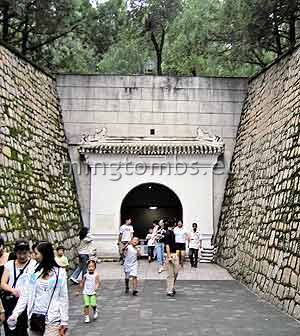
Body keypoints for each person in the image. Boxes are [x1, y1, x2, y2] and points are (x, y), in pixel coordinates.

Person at [8, 242, 68, 336]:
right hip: (34, 317)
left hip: (53, 319)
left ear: (44, 254)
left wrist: (64, 320)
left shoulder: (60, 273)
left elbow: (63, 297)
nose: (33, 256)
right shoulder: (33, 271)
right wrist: (15, 314)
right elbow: (25, 294)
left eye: (36, 253)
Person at [1, 239, 36, 336]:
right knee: (10, 329)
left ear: (29, 252)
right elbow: (3, 283)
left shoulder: (33, 264)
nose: (22, 256)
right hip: (11, 302)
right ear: (15, 252)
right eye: (19, 253)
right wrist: (13, 290)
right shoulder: (9, 264)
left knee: (23, 329)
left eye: (25, 253)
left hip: (26, 302)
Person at [80, 259, 100, 323]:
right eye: (89, 267)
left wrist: (96, 287)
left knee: (93, 304)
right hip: (85, 292)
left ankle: (95, 310)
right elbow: (82, 282)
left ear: (95, 267)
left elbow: (97, 282)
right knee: (86, 305)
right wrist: (78, 290)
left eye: (92, 267)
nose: (91, 268)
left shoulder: (96, 275)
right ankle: (86, 316)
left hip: (92, 292)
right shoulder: (85, 275)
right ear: (87, 267)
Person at [164, 219, 179, 297]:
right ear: (174, 224)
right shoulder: (167, 233)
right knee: (170, 274)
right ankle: (169, 290)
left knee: (176, 272)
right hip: (170, 255)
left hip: (175, 254)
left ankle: (172, 287)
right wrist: (169, 256)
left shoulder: (172, 232)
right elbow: (167, 245)